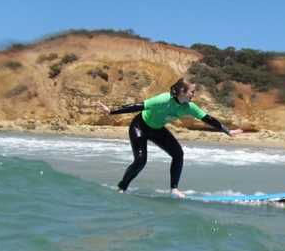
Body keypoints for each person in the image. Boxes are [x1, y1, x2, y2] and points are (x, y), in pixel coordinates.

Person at [96, 78, 242, 198]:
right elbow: (138, 106)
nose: (193, 95)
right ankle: (122, 187)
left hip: (157, 130)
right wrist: (111, 111)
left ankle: (174, 190)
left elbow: (208, 119)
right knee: (141, 160)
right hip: (140, 127)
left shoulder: (189, 107)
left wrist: (227, 131)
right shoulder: (163, 99)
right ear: (182, 91)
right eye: (192, 91)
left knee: (178, 154)